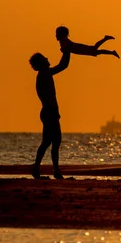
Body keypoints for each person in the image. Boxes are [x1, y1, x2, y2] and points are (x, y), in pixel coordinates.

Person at [29, 50, 71, 179]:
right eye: (44, 58)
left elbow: (62, 66)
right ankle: (51, 170)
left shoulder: (44, 74)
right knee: (51, 141)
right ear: (41, 63)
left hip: (49, 112)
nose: (47, 59)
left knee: (50, 142)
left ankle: (46, 169)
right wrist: (67, 51)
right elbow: (62, 66)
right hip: (49, 112)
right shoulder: (44, 74)